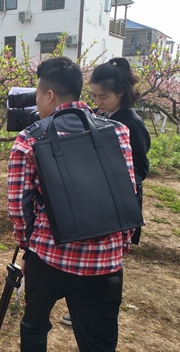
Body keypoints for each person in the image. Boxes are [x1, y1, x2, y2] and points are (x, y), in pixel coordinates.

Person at [8, 56, 136, 352]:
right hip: (105, 264)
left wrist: (27, 245)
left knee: (34, 325)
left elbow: (18, 206)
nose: (36, 100)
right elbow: (128, 194)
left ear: (49, 95)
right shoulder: (117, 132)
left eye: (38, 93)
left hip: (49, 257)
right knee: (100, 350)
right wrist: (119, 247)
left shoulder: (29, 139)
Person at [61, 57, 151, 327]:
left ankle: (97, 315)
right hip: (94, 198)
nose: (98, 102)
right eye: (94, 96)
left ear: (121, 93)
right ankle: (82, 310)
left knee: (108, 265)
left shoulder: (131, 123)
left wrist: (112, 179)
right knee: (88, 258)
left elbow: (140, 167)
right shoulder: (99, 117)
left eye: (104, 96)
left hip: (115, 203)